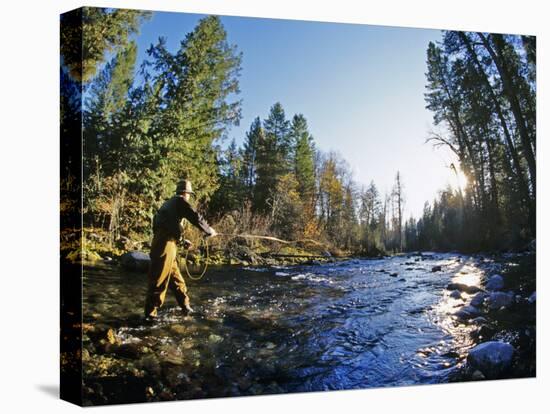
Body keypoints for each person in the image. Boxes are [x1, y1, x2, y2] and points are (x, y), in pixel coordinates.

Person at [144, 179, 217, 319]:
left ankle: (185, 307)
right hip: (164, 246)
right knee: (159, 281)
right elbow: (195, 216)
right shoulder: (180, 201)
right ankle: (150, 316)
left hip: (166, 244)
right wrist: (209, 230)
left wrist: (182, 241)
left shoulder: (169, 204)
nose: (189, 197)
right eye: (189, 194)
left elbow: (167, 226)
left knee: (177, 280)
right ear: (186, 193)